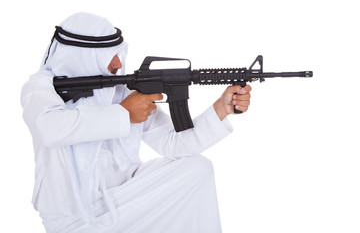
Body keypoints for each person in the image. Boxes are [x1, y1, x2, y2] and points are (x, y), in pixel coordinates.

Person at [21, 12, 251, 233]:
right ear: (81, 56)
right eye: (106, 55)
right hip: (71, 218)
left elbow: (174, 145)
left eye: (118, 51)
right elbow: (48, 128)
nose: (117, 63)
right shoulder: (41, 87)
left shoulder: (121, 90)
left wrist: (221, 109)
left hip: (124, 199)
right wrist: (123, 113)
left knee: (198, 167)